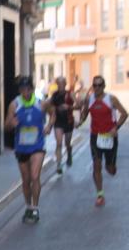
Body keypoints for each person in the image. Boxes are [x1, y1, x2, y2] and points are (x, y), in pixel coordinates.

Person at [4, 76, 54, 224]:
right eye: (22, 90)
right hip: (21, 147)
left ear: (32, 89)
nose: (25, 92)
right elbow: (6, 125)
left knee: (34, 176)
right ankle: (28, 205)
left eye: (28, 89)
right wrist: (11, 123)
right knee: (25, 180)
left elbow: (53, 113)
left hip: (38, 145)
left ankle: (35, 207)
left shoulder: (41, 103)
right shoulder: (14, 105)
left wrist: (49, 126)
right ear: (19, 91)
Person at [78, 76, 127, 206]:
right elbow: (84, 115)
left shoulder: (111, 99)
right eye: (95, 85)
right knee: (96, 165)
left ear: (104, 86)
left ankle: (110, 165)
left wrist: (115, 128)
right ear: (92, 86)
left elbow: (124, 113)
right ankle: (100, 194)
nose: (97, 88)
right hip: (95, 136)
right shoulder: (89, 99)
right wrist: (80, 120)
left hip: (110, 137)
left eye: (100, 85)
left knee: (110, 170)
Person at [49, 76, 75, 173]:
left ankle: (69, 153)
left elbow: (78, 105)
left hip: (68, 121)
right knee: (59, 143)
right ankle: (59, 165)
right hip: (58, 122)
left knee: (67, 143)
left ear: (65, 83)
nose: (60, 85)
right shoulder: (54, 95)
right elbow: (49, 106)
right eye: (58, 83)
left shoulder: (70, 94)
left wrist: (68, 106)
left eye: (62, 83)